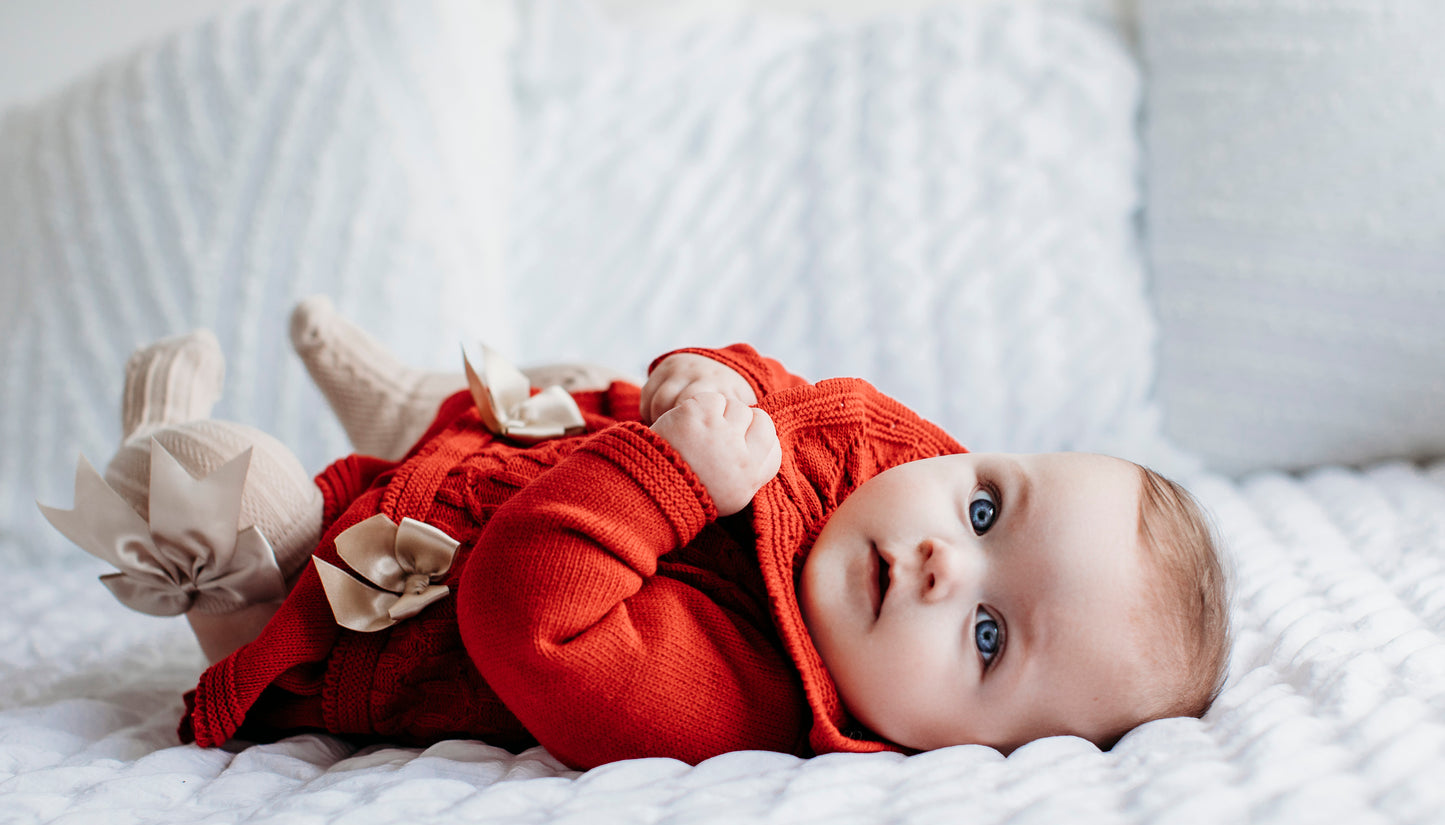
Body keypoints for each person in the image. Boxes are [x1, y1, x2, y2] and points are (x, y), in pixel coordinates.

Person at [42, 298, 1231, 769]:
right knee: (579, 384)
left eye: (984, 636)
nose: (942, 556)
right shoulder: (902, 465)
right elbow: (770, 379)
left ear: (954, 751)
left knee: (249, 497)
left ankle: (173, 462)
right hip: (526, 464)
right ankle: (421, 411)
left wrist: (672, 471)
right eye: (985, 511)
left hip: (364, 600)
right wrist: (696, 380)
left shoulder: (730, 696)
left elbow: (522, 616)